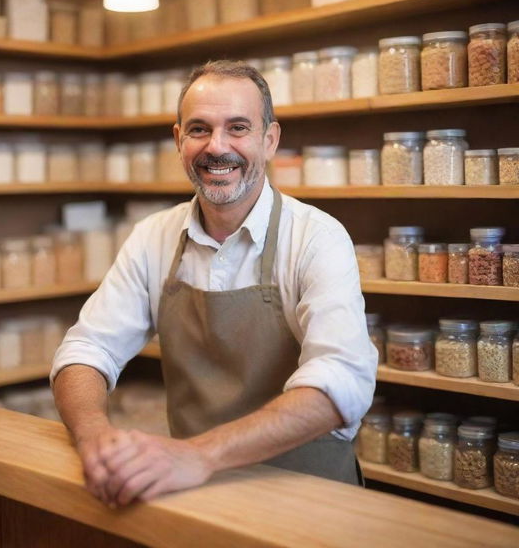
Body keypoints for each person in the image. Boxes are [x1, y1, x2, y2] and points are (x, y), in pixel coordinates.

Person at [51, 59, 377, 508]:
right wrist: (94, 437)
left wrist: (200, 453)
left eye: (238, 128)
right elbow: (88, 350)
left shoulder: (317, 237)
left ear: (269, 140)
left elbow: (341, 382)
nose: (216, 147)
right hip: (197, 498)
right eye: (199, 129)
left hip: (309, 501)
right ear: (178, 139)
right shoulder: (154, 238)